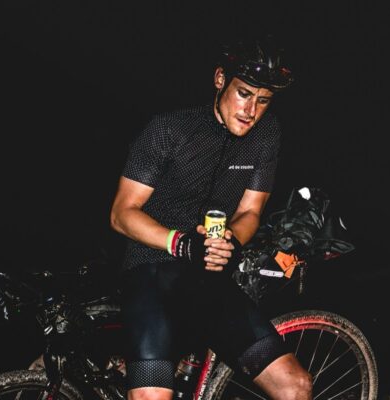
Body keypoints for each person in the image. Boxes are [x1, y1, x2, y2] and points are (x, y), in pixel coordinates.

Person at [110, 35, 312, 400]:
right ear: (220, 79)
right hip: (150, 267)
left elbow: (249, 211)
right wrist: (181, 243)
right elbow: (122, 214)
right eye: (243, 94)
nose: (251, 111)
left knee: (294, 386)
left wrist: (231, 242)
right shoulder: (168, 129)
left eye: (263, 100)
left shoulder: (266, 136)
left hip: (208, 280)